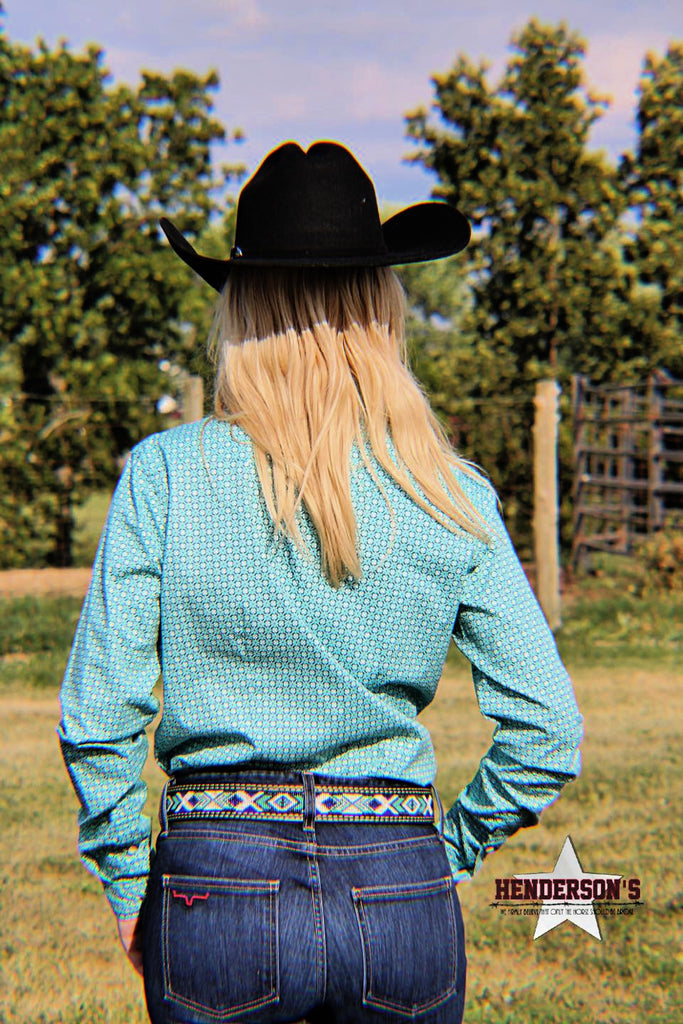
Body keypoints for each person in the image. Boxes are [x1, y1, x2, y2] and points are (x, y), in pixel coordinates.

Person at [58, 141, 583, 1024]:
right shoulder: (450, 491)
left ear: (240, 310)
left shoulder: (164, 475)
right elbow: (548, 731)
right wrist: (443, 855)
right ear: (382, 309)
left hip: (213, 885)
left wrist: (124, 874)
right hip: (399, 884)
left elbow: (97, 715)